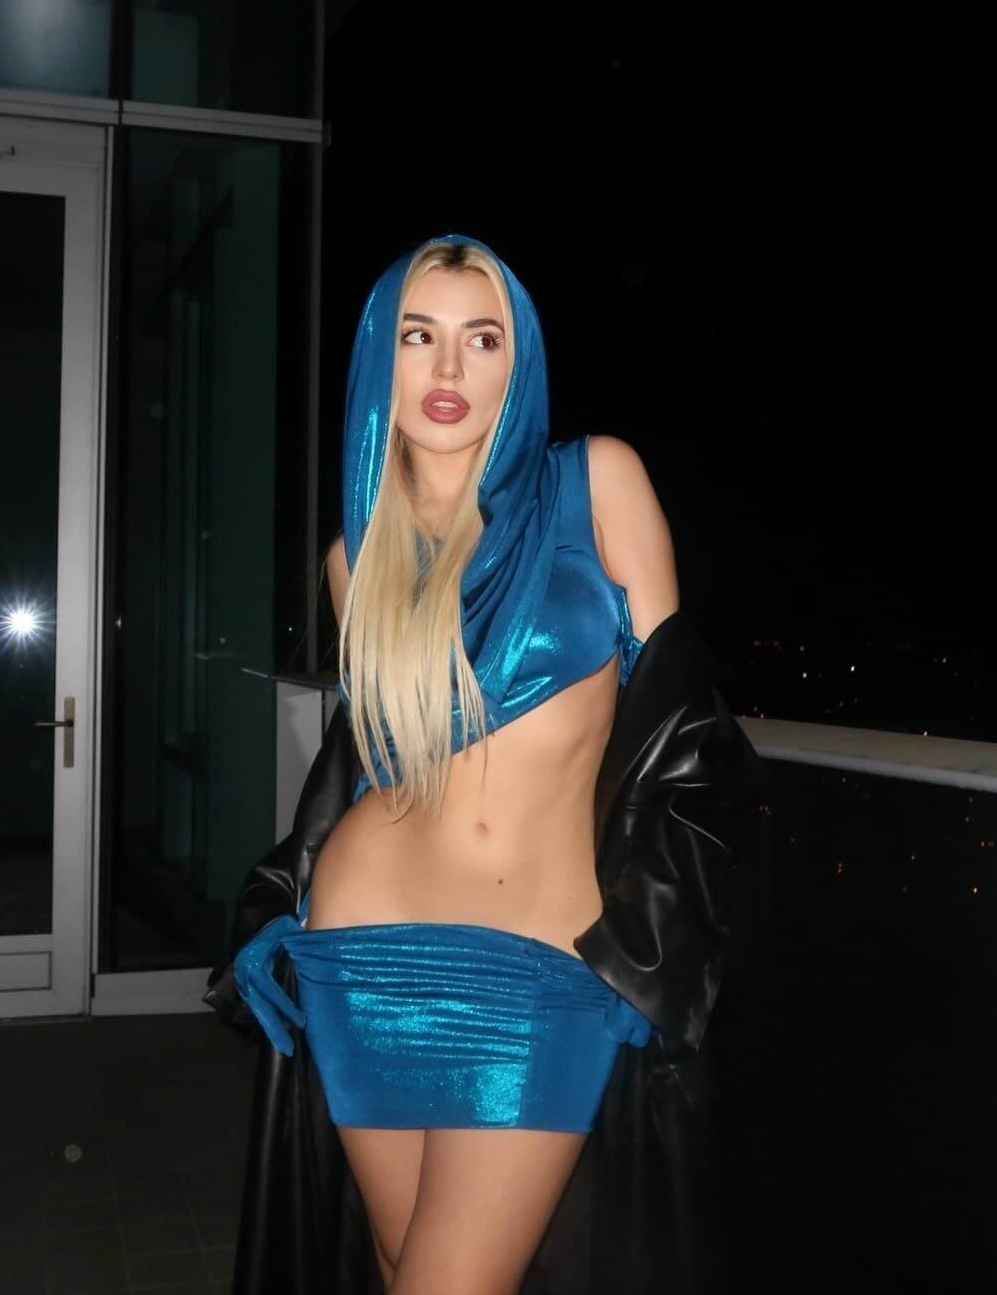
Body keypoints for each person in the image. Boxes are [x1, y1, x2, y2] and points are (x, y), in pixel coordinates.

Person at [207, 234, 770, 1295]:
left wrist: (656, 938)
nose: (449, 368)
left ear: (522, 362)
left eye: (482, 339)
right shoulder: (355, 557)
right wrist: (289, 900)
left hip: (540, 959)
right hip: (363, 946)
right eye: (419, 336)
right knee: (400, 1268)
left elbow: (683, 737)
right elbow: (371, 768)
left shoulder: (597, 482)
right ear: (382, 358)